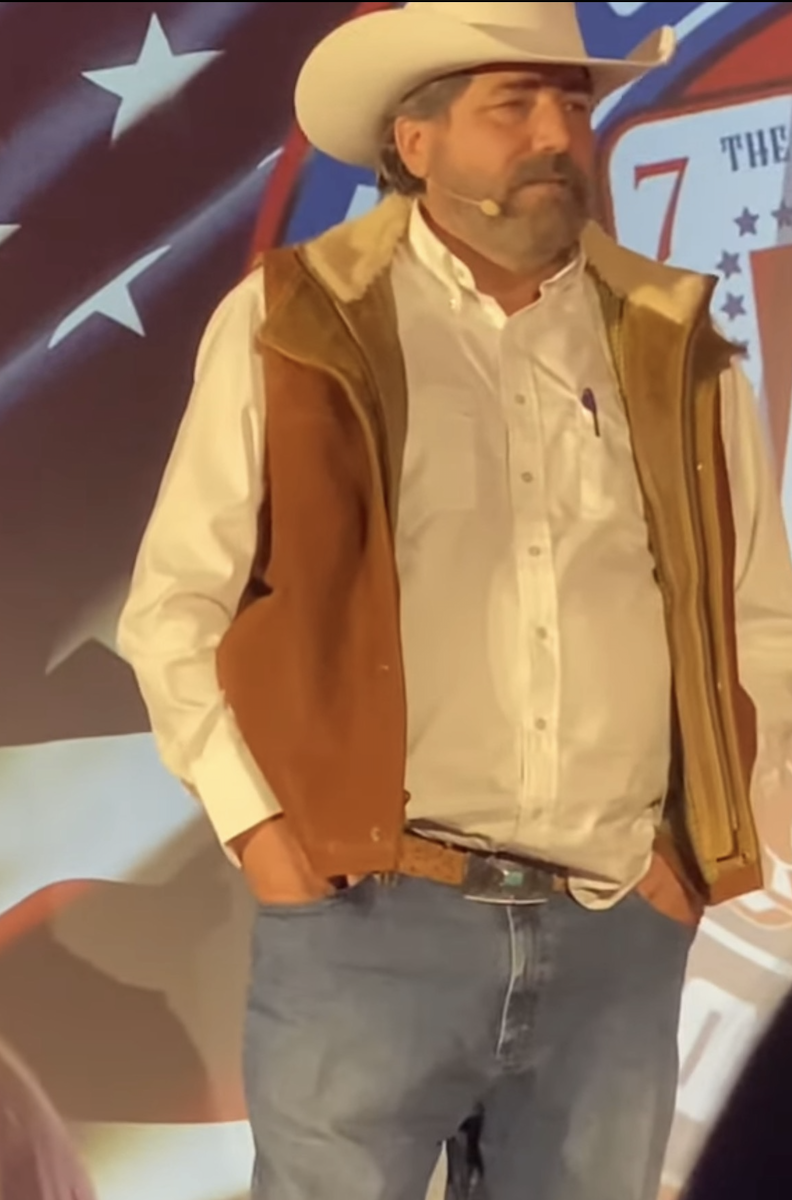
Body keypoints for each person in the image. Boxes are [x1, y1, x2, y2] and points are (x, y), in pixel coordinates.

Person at [117, 3, 792, 1198]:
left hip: (613, 933)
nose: (557, 136)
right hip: (371, 922)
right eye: (513, 105)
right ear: (415, 141)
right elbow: (175, 607)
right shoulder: (296, 320)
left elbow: (758, 623)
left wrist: (692, 860)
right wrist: (264, 834)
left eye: (572, 105)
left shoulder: (676, 341)